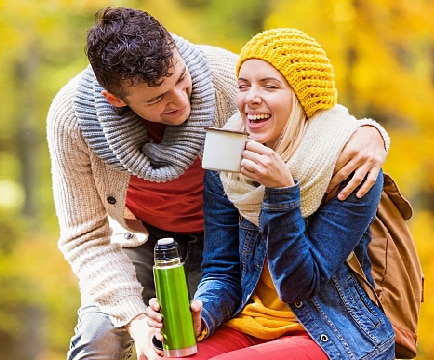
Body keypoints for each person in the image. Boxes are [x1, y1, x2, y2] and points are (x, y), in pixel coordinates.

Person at [46, 7, 390, 360]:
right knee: (98, 342)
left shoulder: (224, 79)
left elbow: (310, 103)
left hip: (300, 306)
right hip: (147, 239)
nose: (181, 101)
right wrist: (141, 321)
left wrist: (371, 133)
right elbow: (86, 236)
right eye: (157, 98)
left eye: (181, 79)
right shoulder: (73, 121)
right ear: (116, 99)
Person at [146, 28, 395, 359]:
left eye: (270, 85)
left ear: (302, 98)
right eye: (244, 85)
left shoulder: (347, 165)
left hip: (328, 334)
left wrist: (282, 193)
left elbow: (298, 285)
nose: (250, 97)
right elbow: (222, 271)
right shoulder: (226, 156)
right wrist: (201, 317)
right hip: (248, 327)